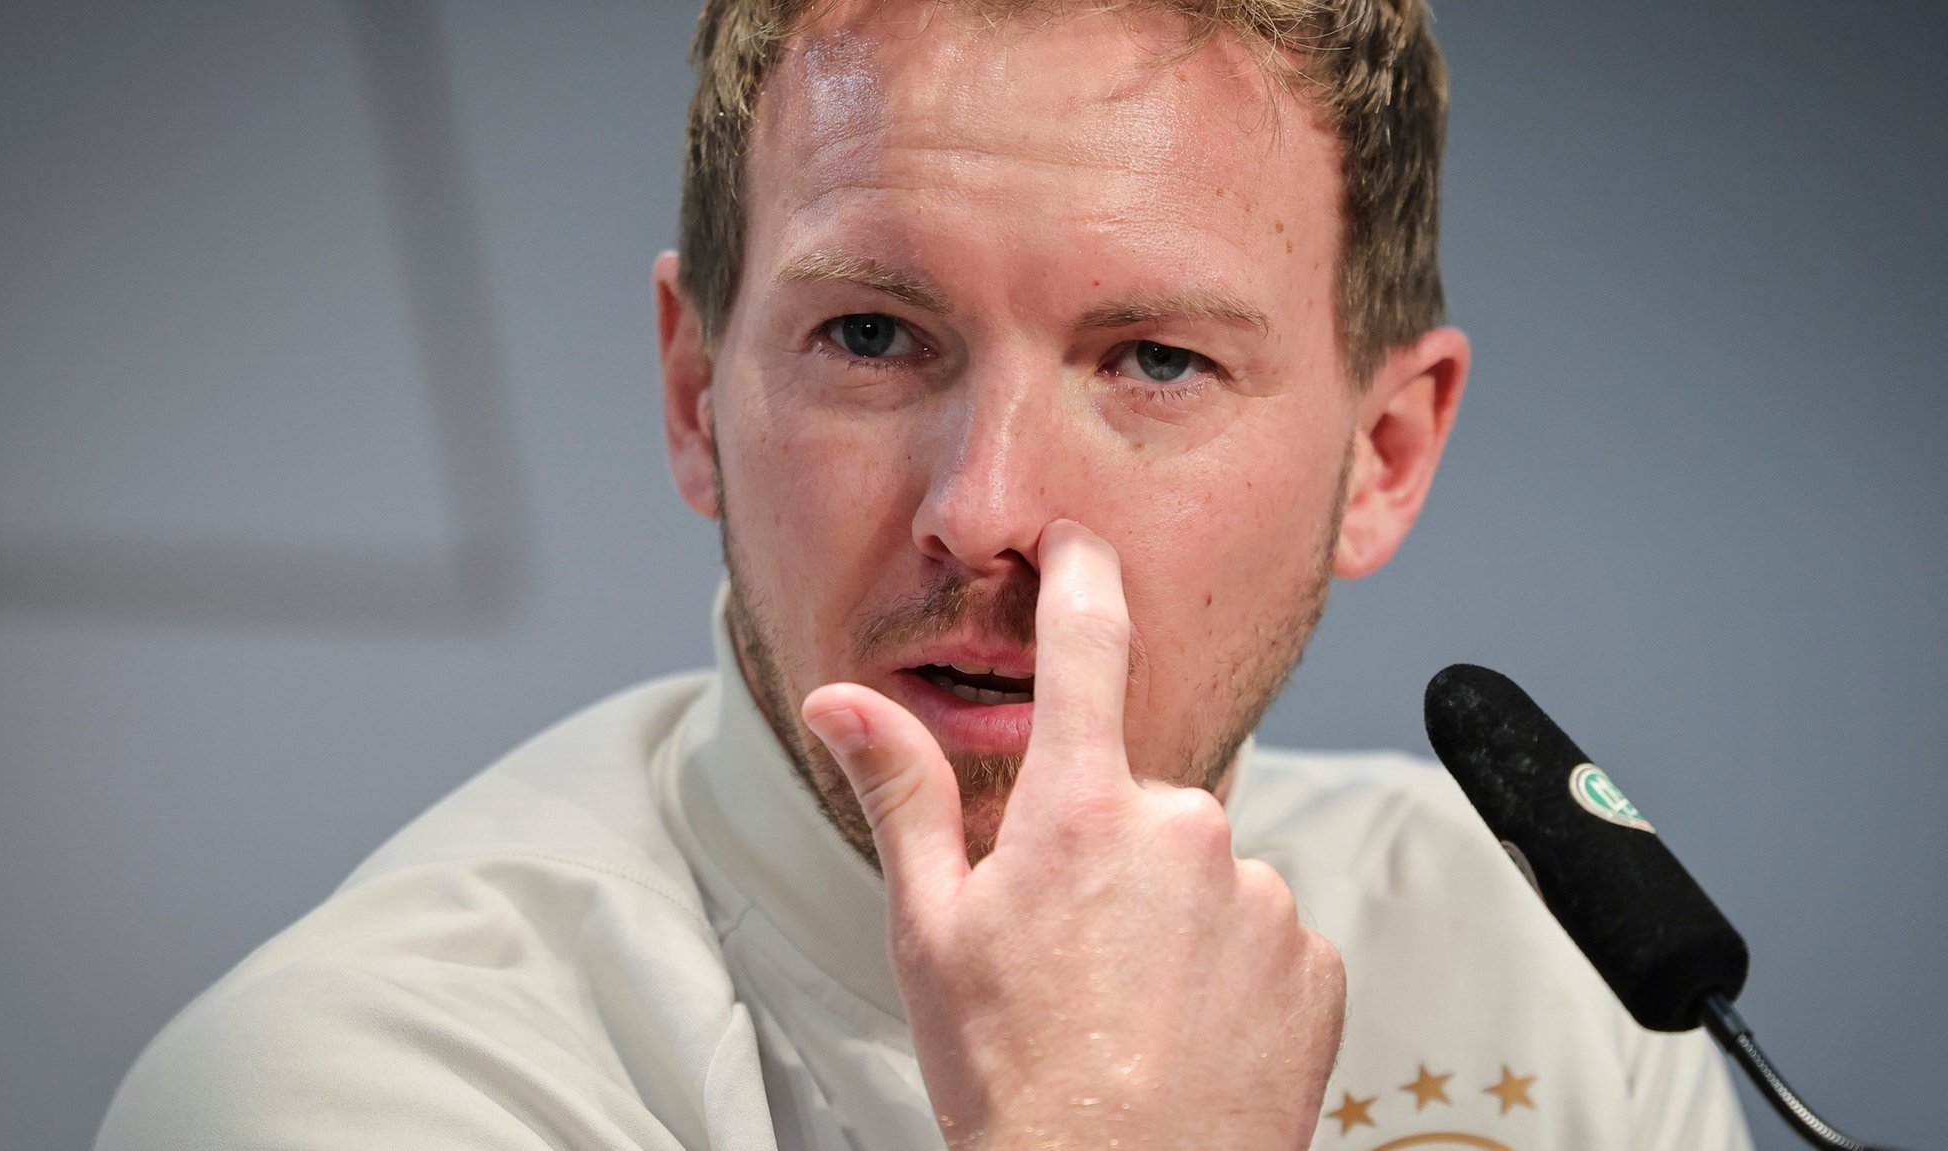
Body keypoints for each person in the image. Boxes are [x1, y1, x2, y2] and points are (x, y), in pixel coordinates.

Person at [97, 1, 1752, 1148]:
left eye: (1156, 361)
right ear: (696, 399)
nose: (987, 506)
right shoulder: (345, 1088)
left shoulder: (1532, 954)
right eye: (873, 336)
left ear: (1381, 460)